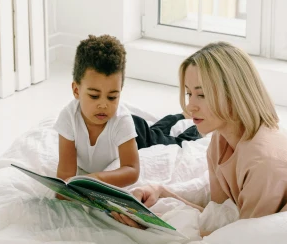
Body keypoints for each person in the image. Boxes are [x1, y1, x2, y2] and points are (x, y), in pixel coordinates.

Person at [113, 41, 287, 226]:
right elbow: (217, 210)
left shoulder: (263, 164)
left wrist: (157, 222)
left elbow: (236, 238)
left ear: (233, 95)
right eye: (189, 93)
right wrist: (161, 191)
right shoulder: (219, 141)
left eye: (202, 94)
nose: (191, 105)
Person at [54, 34, 202, 189]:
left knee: (165, 139)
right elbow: (66, 173)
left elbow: (131, 170)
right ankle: (178, 116)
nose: (103, 105)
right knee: (156, 128)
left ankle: (191, 125)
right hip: (129, 130)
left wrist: (95, 178)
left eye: (112, 97)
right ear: (76, 90)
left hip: (138, 133)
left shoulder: (122, 121)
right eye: (94, 96)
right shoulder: (68, 118)